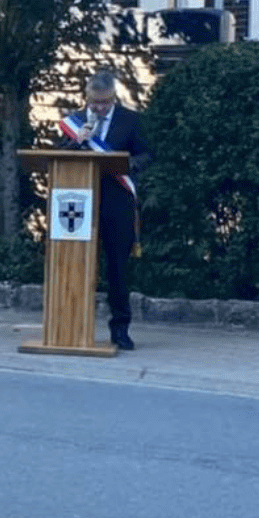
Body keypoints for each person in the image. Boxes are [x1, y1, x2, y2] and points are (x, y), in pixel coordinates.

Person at [61, 70, 151, 351]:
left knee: (117, 268)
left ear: (114, 98)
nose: (99, 108)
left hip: (117, 201)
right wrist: (78, 140)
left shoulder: (131, 120)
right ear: (86, 98)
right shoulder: (74, 122)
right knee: (75, 262)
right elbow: (57, 153)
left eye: (104, 102)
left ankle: (120, 328)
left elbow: (147, 154)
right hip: (79, 201)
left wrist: (128, 164)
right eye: (94, 102)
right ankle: (72, 325)